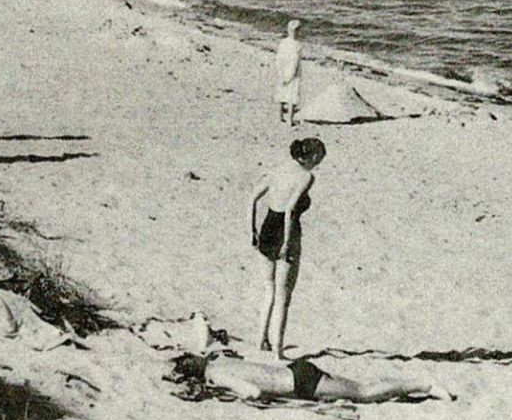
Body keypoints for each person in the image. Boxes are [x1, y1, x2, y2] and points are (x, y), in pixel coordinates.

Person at [250, 137, 326, 359]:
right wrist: (286, 242)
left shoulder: (279, 169)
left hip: (266, 227)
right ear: (312, 157)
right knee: (284, 295)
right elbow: (291, 210)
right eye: (318, 160)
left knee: (268, 288)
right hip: (286, 231)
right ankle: (278, 351)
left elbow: (253, 198)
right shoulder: (306, 177)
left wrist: (251, 230)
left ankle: (260, 340)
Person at [168, 353, 452, 404]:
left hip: (301, 384)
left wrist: (228, 392)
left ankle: (423, 385)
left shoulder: (216, 374)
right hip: (295, 371)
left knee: (363, 393)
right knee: (358, 388)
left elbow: (253, 393)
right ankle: (417, 385)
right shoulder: (218, 359)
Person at [274, 20, 304, 127]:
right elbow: (295, 62)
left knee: (281, 95)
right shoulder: (298, 45)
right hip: (293, 74)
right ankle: (289, 120)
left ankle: (280, 117)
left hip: (282, 71)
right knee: (291, 97)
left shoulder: (283, 43)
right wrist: (290, 76)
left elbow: (278, 58)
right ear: (297, 32)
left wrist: (280, 72)